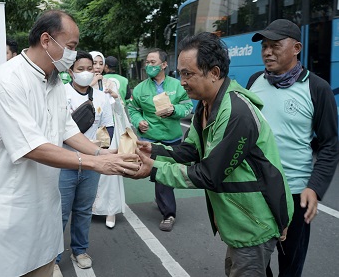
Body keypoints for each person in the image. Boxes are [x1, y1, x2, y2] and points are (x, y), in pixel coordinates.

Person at [0, 10, 140, 277]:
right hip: (10, 205)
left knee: (43, 265)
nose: (74, 54)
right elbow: (31, 146)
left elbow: (66, 128)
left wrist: (104, 153)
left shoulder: (52, 80)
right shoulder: (8, 79)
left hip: (44, 203)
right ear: (47, 40)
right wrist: (97, 163)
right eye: (71, 47)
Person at [132, 32, 294, 276]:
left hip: (255, 223)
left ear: (214, 73)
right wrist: (153, 150)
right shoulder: (207, 104)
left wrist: (153, 168)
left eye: (188, 74)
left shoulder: (237, 113)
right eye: (180, 73)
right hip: (238, 219)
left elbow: (209, 174)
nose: (182, 81)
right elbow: (191, 150)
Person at [247, 19, 339, 277]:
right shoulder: (255, 81)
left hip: (294, 194)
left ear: (296, 47)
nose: (267, 52)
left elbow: (330, 144)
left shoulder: (317, 89)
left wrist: (315, 187)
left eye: (275, 46)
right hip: (255, 190)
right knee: (255, 263)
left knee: (290, 267)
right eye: (264, 46)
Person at [55, 50, 114, 276]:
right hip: (64, 162)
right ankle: (53, 256)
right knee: (59, 212)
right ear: (70, 71)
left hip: (91, 164)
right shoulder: (60, 93)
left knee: (83, 210)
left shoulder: (101, 97)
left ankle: (79, 250)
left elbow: (107, 126)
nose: (86, 73)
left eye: (90, 68)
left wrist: (102, 151)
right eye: (80, 69)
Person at [127, 48, 193, 231]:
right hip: (150, 141)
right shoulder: (140, 89)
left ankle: (166, 207)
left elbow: (187, 106)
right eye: (147, 62)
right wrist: (139, 121)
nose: (149, 65)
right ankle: (168, 211)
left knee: (166, 176)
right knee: (160, 175)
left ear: (164, 65)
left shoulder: (178, 85)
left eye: (153, 62)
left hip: (172, 140)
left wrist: (174, 111)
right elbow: (132, 109)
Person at [90, 51, 127, 229]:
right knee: (90, 170)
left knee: (110, 173)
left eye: (99, 63)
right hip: (88, 134)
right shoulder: (81, 85)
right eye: (93, 63)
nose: (96, 67)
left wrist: (115, 97)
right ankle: (91, 207)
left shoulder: (110, 83)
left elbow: (119, 110)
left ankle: (110, 210)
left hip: (108, 132)